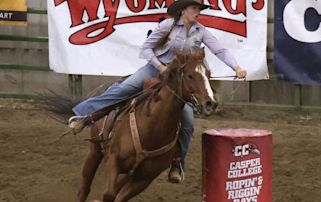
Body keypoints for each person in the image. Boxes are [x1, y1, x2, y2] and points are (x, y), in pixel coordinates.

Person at [68, 0, 247, 183]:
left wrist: (237, 67)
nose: (197, 12)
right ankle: (83, 115)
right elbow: (146, 48)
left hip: (177, 81)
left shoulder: (200, 31)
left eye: (199, 9)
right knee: (124, 89)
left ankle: (178, 164)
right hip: (155, 69)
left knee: (188, 122)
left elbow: (220, 50)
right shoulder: (167, 26)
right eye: (194, 8)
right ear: (183, 10)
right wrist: (160, 66)